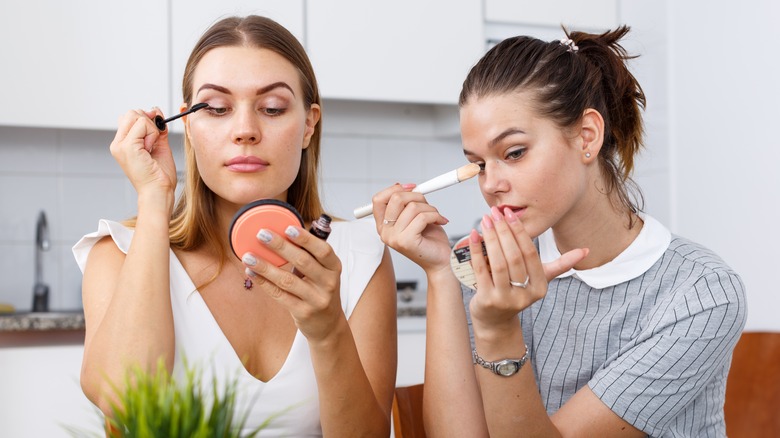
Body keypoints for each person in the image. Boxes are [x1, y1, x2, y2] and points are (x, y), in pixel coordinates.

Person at [370, 26, 746, 437]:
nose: (491, 183)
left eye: (514, 153)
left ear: (587, 137)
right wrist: (442, 274)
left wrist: (499, 331)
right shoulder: (489, 253)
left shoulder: (701, 293)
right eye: (478, 164)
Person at [72, 15, 397, 436]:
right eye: (218, 109)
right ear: (186, 125)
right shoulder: (118, 252)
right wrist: (154, 199)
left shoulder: (359, 256)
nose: (245, 130)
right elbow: (123, 405)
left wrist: (327, 327)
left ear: (309, 125)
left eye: (273, 108)